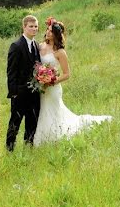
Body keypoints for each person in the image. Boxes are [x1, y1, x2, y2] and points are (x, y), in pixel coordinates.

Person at [34, 17, 111, 146]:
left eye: (51, 31)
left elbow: (67, 74)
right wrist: (40, 79)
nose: (47, 32)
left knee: (52, 111)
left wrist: (51, 81)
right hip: (41, 86)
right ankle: (40, 138)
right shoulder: (39, 46)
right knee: (42, 111)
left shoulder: (60, 52)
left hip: (53, 88)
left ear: (56, 35)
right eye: (47, 29)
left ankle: (55, 136)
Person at [5, 15, 41, 151]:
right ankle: (9, 149)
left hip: (34, 93)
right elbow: (11, 72)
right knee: (15, 122)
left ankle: (29, 147)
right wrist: (13, 93)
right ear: (24, 27)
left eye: (36, 26)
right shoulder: (16, 46)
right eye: (31, 26)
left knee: (32, 121)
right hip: (19, 93)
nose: (34, 29)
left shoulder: (36, 45)